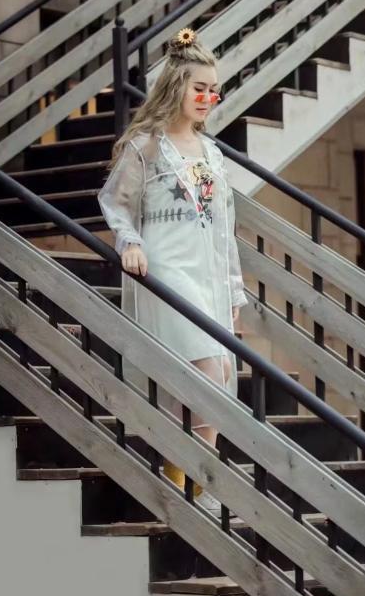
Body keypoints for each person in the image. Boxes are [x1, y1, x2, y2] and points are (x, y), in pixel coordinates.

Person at [97, 26, 248, 513]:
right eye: (199, 87)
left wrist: (234, 291)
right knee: (206, 369)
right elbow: (115, 202)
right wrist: (130, 242)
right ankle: (197, 476)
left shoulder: (212, 153)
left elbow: (224, 228)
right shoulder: (146, 146)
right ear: (176, 87)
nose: (208, 98)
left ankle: (187, 476)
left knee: (218, 370)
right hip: (167, 268)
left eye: (214, 89)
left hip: (208, 273)